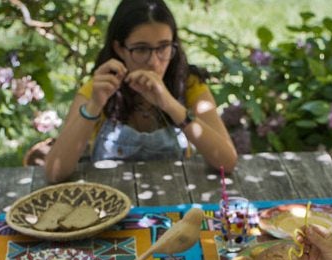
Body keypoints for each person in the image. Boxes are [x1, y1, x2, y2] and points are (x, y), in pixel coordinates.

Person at [44, 0, 237, 183]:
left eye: (163, 47)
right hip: (111, 201)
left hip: (176, 199)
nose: (154, 62)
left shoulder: (187, 84)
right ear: (119, 49)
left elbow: (227, 162)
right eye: (141, 50)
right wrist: (94, 105)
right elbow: (54, 172)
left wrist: (171, 105)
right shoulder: (101, 88)